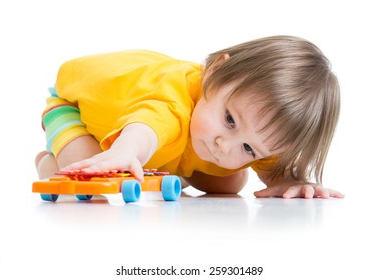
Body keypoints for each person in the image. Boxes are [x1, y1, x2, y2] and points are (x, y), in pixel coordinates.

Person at [35, 35, 344, 199]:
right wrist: (125, 151)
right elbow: (147, 125)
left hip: (157, 136)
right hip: (79, 107)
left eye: (248, 148)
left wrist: (291, 181)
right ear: (217, 70)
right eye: (230, 120)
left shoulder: (252, 125)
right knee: (94, 168)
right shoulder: (172, 99)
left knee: (231, 181)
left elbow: (272, 165)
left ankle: (169, 167)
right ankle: (48, 163)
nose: (225, 145)